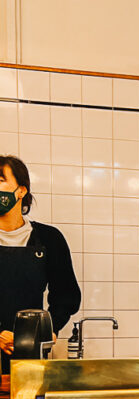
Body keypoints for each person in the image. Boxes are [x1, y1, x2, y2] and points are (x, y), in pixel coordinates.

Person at [0, 155, 80, 372]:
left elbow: (66, 295)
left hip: (30, 356)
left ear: (21, 191)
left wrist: (47, 329)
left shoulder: (49, 238)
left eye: (0, 180)